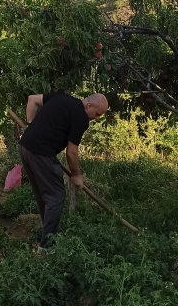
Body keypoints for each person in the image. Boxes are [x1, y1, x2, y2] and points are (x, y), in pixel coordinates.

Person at [18, 92, 108, 251]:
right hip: (41, 153)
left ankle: (49, 232)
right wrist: (77, 175)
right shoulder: (81, 118)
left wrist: (30, 125)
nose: (97, 118)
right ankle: (47, 247)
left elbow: (32, 99)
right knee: (55, 195)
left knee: (43, 194)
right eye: (97, 113)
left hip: (25, 147)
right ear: (89, 106)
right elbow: (71, 152)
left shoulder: (62, 98)